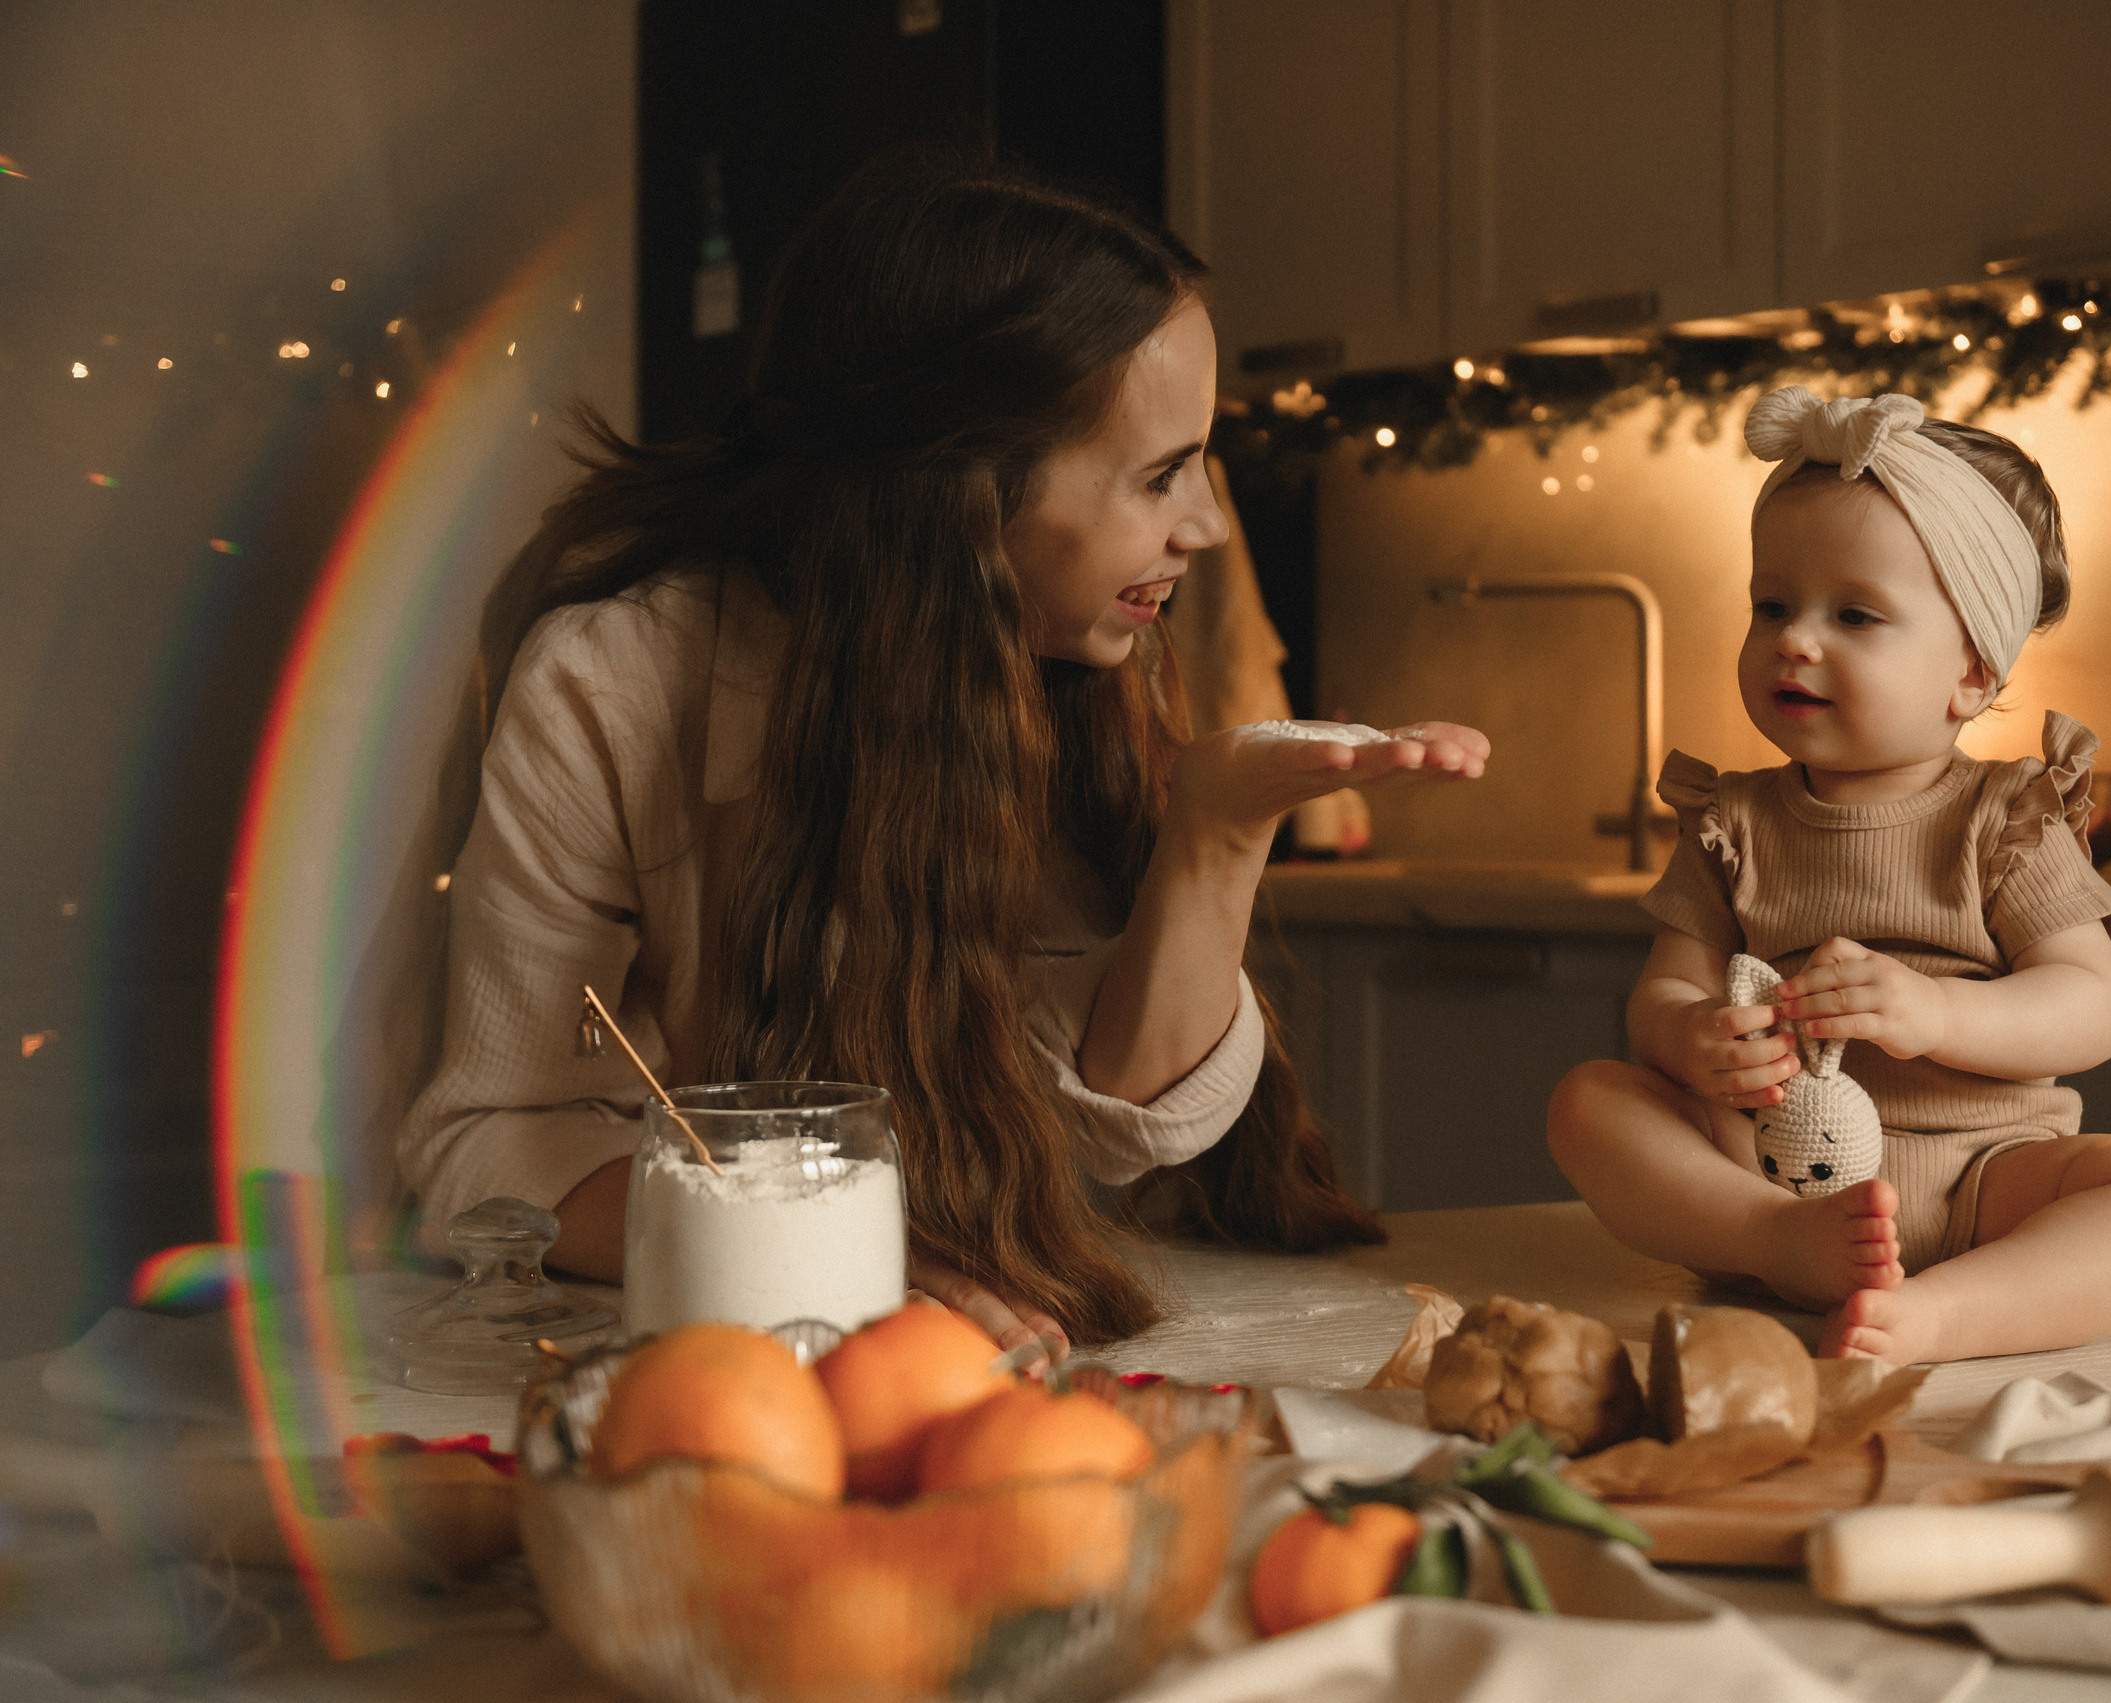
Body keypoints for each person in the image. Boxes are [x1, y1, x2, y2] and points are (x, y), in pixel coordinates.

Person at [400, 154, 1488, 1364]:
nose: (1208, 525)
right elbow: (486, 1144)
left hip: (966, 1351)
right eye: (1160, 474)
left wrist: (1219, 829)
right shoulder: (609, 683)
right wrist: (820, 1245)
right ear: (960, 495)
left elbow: (1113, 1127)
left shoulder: (1082, 650)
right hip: (668, 1367)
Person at [1546, 386, 2111, 1364]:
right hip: (1770, 1168)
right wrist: (1696, 1037)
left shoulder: (2005, 819)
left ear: (1972, 671)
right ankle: (1776, 1245)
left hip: (1988, 1178)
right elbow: (1665, 990)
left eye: (1855, 613)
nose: (1794, 637)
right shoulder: (1731, 822)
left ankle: (1947, 1310)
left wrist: (1938, 1015)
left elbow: (2091, 1008)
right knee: (1589, 1100)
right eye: (1772, 604)